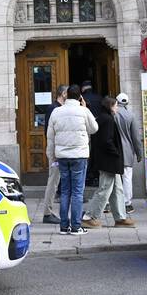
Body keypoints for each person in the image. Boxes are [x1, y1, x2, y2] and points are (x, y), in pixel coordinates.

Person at [46, 84, 98, 235]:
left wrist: (51, 156)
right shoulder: (83, 111)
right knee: (77, 192)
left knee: (65, 192)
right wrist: (85, 107)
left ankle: (64, 226)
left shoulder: (56, 112)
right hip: (79, 156)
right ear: (80, 97)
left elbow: (51, 137)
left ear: (66, 95)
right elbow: (94, 128)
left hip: (62, 156)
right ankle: (75, 226)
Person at [84, 95, 131, 227]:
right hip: (109, 161)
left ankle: (120, 217)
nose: (117, 108)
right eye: (115, 105)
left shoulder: (102, 118)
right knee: (105, 188)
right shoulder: (108, 120)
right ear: (110, 106)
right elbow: (106, 141)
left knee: (117, 189)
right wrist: (116, 153)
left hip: (108, 160)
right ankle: (89, 216)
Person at [39, 87, 68, 225]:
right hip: (55, 151)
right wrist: (54, 152)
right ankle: (47, 213)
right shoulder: (54, 108)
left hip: (58, 150)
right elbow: (50, 133)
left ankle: (50, 212)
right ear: (63, 94)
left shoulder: (58, 108)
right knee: (53, 181)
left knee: (56, 181)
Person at [114, 92, 143, 213]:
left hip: (114, 150)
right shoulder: (131, 115)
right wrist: (139, 153)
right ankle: (127, 203)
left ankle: (111, 202)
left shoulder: (113, 114)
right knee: (126, 178)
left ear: (116, 101)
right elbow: (136, 138)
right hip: (127, 151)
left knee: (112, 178)